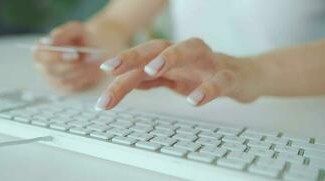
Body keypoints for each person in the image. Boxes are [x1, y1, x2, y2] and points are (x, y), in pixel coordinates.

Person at [33, 0, 325, 111]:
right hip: (192, 119)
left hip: (300, 123)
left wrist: (250, 71)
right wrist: (89, 46)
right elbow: (118, 22)